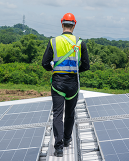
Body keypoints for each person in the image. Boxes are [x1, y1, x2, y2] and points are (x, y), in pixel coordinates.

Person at [42, 13, 90, 157]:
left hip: (58, 83)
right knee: (70, 113)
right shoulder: (80, 43)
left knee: (57, 114)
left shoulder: (53, 41)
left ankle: (59, 148)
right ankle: (67, 140)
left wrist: (54, 68)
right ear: (74, 25)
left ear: (62, 24)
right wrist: (75, 71)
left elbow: (45, 63)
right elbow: (86, 65)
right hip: (73, 84)